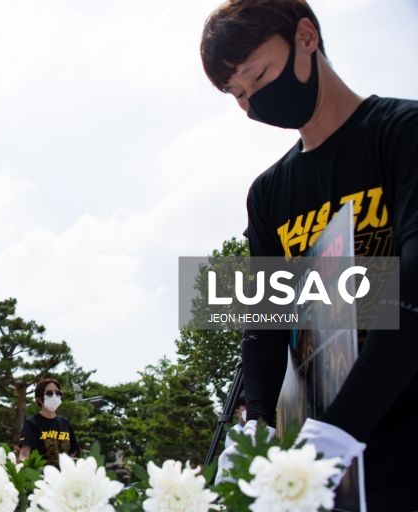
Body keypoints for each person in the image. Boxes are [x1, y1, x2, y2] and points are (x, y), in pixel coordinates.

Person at [201, 1, 418, 509]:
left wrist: (343, 429)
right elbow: (264, 317)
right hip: (320, 453)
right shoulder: (268, 193)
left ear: (305, 37)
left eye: (258, 75)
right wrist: (255, 420)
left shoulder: (403, 133)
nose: (253, 100)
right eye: (238, 95)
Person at [18, 378, 79, 467]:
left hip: (63, 477)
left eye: (58, 393)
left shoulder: (65, 422)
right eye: (49, 393)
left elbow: (73, 452)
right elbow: (24, 455)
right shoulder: (31, 422)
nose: (54, 396)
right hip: (41, 477)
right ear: (39, 399)